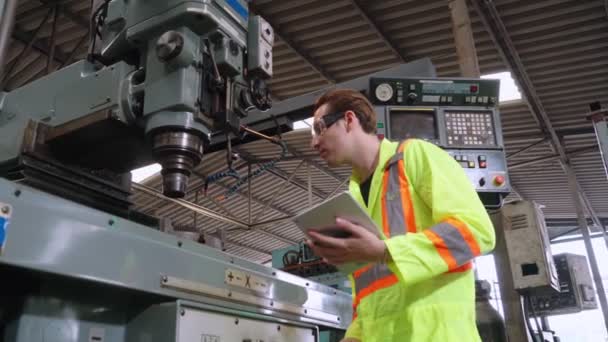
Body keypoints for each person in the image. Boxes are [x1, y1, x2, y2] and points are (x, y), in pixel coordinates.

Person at [306, 88, 495, 342]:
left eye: (319, 128)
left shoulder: (415, 156)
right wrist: (355, 336)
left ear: (349, 120)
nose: (314, 142)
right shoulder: (353, 197)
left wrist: (385, 251)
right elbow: (371, 290)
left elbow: (477, 231)